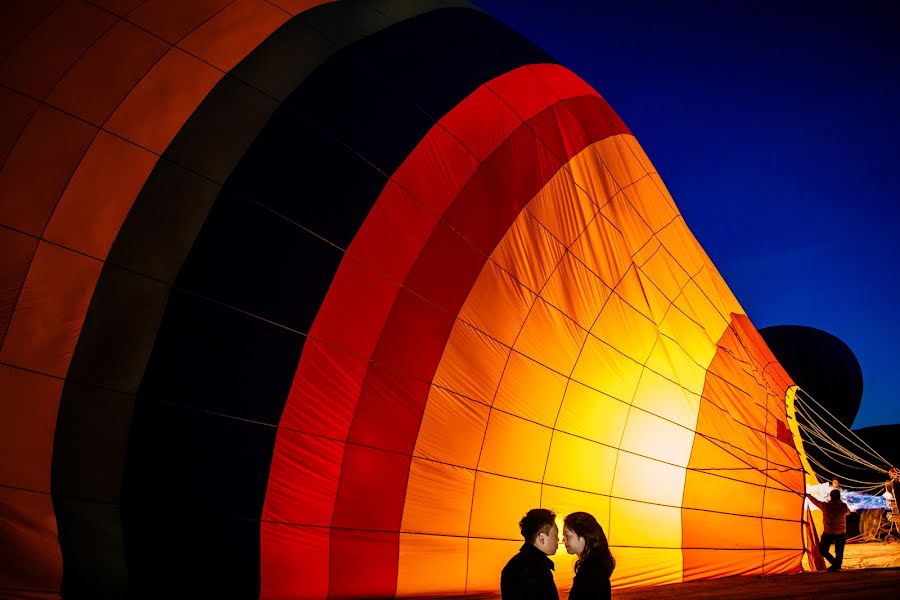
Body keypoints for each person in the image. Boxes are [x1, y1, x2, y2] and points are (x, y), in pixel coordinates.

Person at [501, 508, 560, 600]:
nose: (558, 540)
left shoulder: (511, 565)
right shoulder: (539, 569)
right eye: (555, 535)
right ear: (542, 538)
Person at [562, 512, 616, 599]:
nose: (563, 540)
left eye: (567, 535)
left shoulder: (591, 574)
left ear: (582, 537)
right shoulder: (594, 567)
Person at [806, 489, 851, 572]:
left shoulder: (826, 506)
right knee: (839, 551)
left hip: (829, 532)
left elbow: (815, 501)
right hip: (841, 533)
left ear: (831, 497)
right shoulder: (843, 506)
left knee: (822, 549)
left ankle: (835, 564)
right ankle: (837, 565)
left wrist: (808, 496)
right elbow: (848, 512)